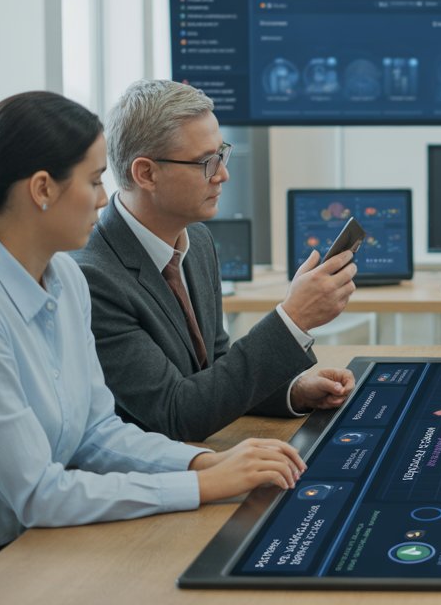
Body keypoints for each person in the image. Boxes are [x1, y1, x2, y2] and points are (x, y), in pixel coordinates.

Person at [0, 92, 306, 604]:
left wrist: (200, 464)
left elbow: (96, 433)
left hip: (26, 546)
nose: (106, 198)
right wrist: (200, 486)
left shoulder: (63, 277)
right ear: (42, 189)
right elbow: (38, 494)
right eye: (93, 181)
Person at [72, 80, 356, 442]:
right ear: (145, 174)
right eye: (207, 162)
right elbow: (177, 412)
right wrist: (292, 319)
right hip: (146, 480)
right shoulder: (91, 278)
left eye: (222, 153)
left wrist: (292, 390)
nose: (223, 174)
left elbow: (215, 371)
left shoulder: (198, 241)